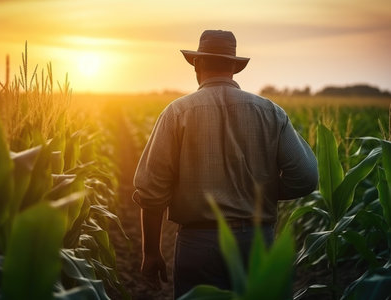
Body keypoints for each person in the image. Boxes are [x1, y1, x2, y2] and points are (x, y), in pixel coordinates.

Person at [132, 29, 318, 299]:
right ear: (234, 67)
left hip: (198, 245)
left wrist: (151, 252)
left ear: (197, 63)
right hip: (256, 243)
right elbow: (306, 177)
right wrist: (261, 189)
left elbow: (151, 192)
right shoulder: (270, 112)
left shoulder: (177, 113)